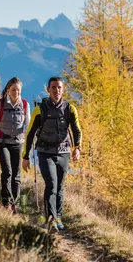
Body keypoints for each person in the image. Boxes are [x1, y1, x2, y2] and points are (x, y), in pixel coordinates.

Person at [21, 76, 82, 231]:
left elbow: (76, 130)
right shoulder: (39, 110)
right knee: (52, 185)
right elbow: (30, 134)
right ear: (48, 90)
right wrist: (26, 156)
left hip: (64, 152)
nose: (57, 90)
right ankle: (50, 219)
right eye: (53, 87)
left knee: (60, 186)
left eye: (59, 87)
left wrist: (77, 148)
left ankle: (58, 216)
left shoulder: (69, 108)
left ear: (63, 89)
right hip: (44, 152)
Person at [0, 76, 30, 213]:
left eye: (18, 90)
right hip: (3, 142)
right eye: (13, 90)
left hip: (18, 142)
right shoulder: (1, 104)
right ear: (8, 90)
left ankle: (15, 203)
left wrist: (31, 141)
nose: (16, 92)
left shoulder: (25, 105)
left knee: (16, 174)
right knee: (7, 172)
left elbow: (28, 125)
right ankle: (6, 202)